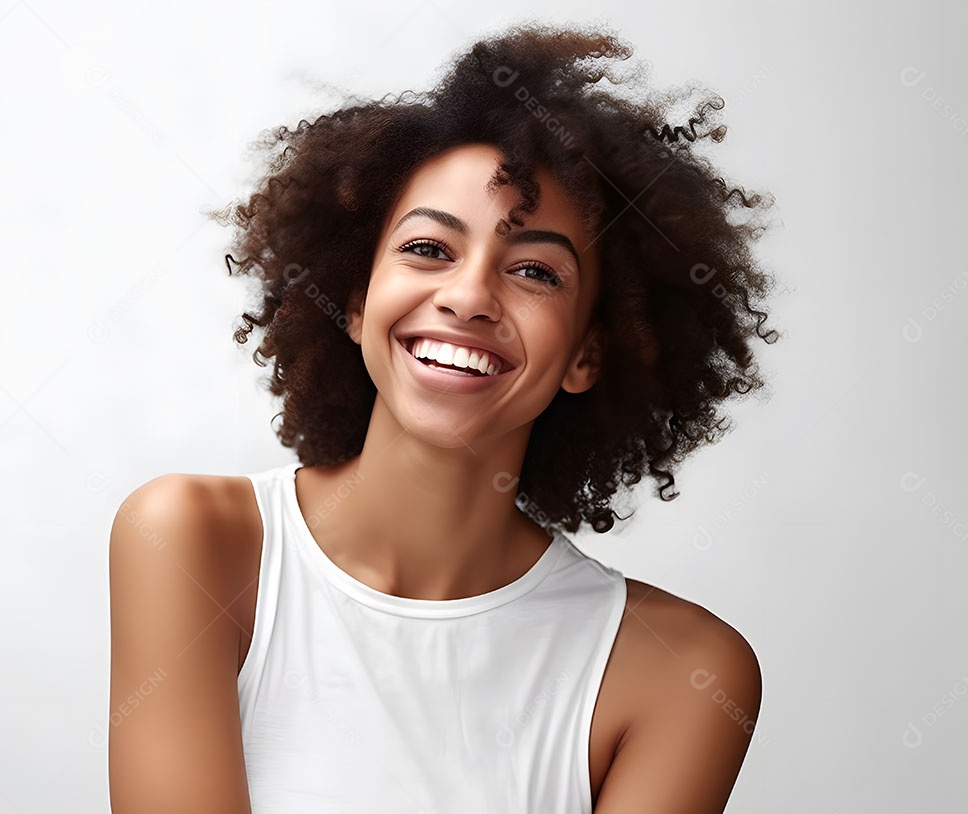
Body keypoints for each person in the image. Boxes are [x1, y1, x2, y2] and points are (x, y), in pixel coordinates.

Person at [107, 20, 780, 814]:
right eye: (429, 249)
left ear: (588, 355)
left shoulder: (683, 673)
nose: (466, 298)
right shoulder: (193, 542)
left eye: (534, 270)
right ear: (356, 301)